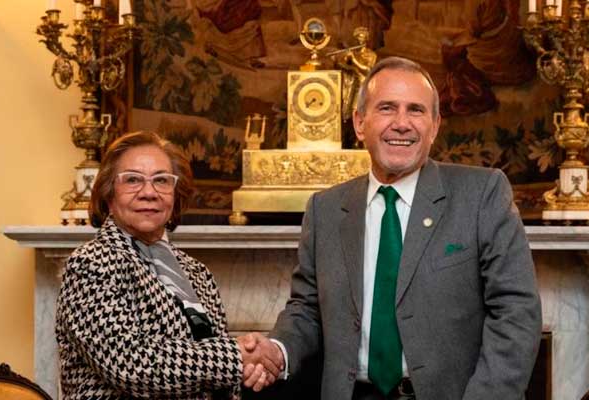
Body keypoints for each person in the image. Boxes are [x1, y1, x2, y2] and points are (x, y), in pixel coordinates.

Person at [243, 57, 542, 399]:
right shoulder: (325, 209)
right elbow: (307, 309)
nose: (402, 124)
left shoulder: (481, 194)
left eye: (416, 110)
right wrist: (277, 350)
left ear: (435, 126)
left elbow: (516, 311)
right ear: (360, 123)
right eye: (387, 108)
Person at [56, 131, 279, 399]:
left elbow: (215, 367)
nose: (149, 192)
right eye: (133, 180)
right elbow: (130, 364)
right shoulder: (91, 263)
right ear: (109, 195)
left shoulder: (197, 272)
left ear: (175, 195)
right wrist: (236, 356)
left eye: (161, 180)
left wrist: (251, 370)